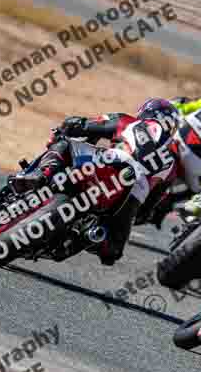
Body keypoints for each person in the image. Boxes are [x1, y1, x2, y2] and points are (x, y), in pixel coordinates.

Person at [25, 98, 181, 265]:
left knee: (64, 143)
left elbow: (81, 125)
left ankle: (41, 174)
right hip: (134, 192)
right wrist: (135, 215)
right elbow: (150, 206)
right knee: (113, 251)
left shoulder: (126, 121)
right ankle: (91, 237)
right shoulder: (172, 162)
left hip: (110, 160)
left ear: (145, 111)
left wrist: (63, 129)